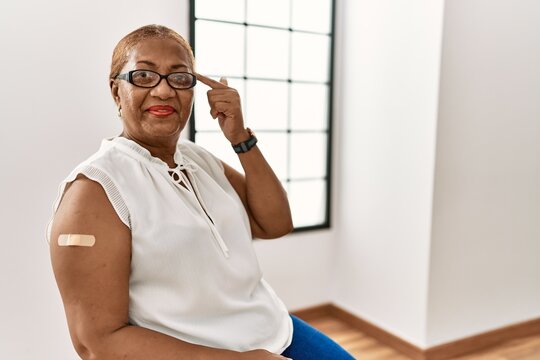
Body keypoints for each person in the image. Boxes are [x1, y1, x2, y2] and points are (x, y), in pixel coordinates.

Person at [48, 24, 354, 360]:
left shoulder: (198, 159)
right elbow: (97, 343)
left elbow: (275, 224)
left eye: (179, 78)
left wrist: (240, 137)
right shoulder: (94, 191)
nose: (164, 91)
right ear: (115, 91)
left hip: (273, 329)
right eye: (144, 76)